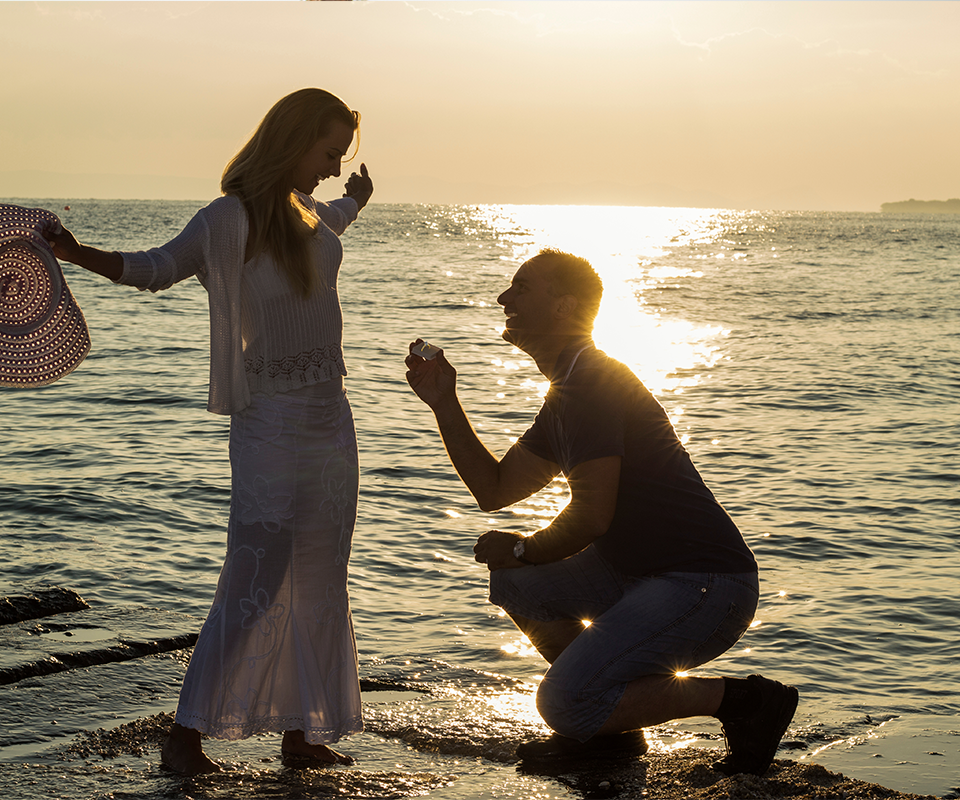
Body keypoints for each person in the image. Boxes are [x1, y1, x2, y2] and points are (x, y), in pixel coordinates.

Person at [46, 88, 374, 775]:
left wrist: (359, 199)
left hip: (329, 417)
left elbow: (334, 217)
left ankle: (304, 731)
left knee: (322, 576)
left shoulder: (309, 211)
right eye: (328, 152)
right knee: (254, 576)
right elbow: (156, 268)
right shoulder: (227, 220)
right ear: (291, 142)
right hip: (272, 422)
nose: (333, 168)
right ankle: (186, 734)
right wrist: (77, 253)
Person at [404, 248, 798, 776]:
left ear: (564, 307)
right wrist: (444, 403)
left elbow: (593, 517)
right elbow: (495, 489)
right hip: (637, 573)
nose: (504, 298)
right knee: (517, 584)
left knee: (562, 704)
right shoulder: (566, 391)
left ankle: (742, 702)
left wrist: (522, 547)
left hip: (705, 584)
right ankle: (613, 731)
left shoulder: (592, 383)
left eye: (521, 288)